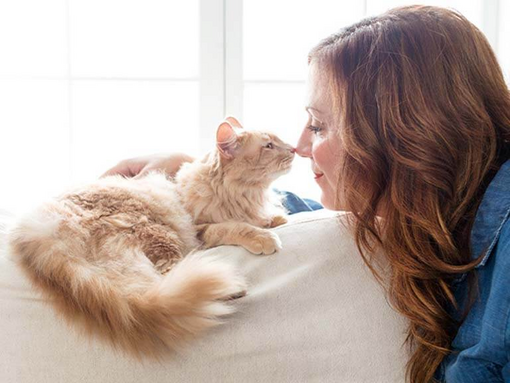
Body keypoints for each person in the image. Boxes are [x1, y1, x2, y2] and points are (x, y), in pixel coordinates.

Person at [104, 6, 510, 383]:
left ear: (400, 133)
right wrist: (200, 174)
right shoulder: (439, 215)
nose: (300, 146)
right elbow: (306, 214)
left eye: (318, 126)